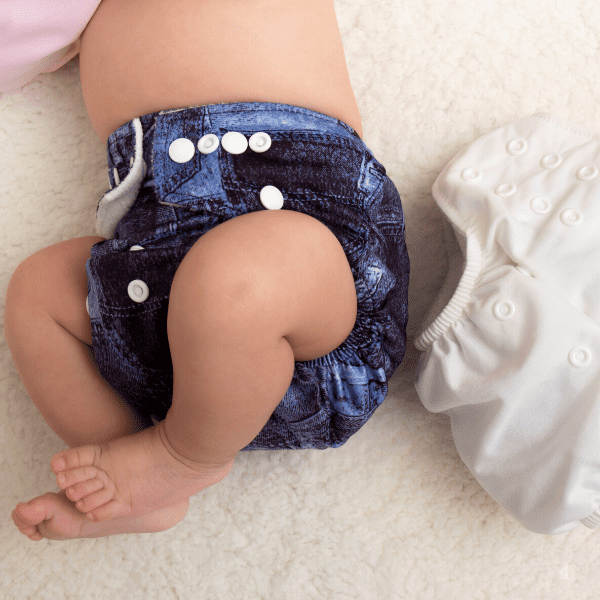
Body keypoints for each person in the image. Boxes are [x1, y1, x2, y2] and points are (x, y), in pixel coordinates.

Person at [6, 0, 409, 541]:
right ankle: (128, 464)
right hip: (153, 280)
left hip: (313, 274)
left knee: (235, 282)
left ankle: (181, 457)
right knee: (38, 292)